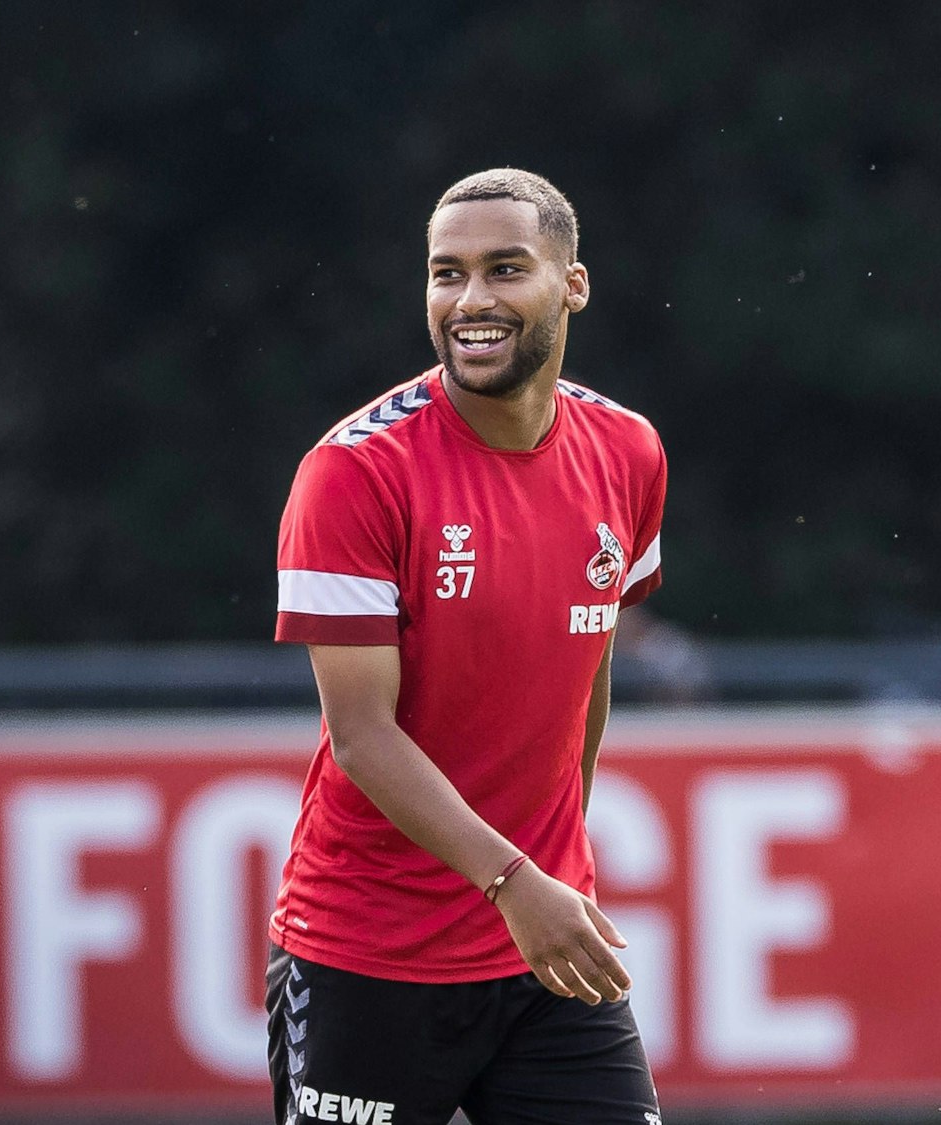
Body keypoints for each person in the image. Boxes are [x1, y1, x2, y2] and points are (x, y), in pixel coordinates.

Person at [267, 169, 667, 1125]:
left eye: (505, 269)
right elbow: (362, 736)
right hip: (368, 955)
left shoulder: (629, 451)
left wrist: (550, 865)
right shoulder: (353, 473)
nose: (471, 301)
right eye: (447, 274)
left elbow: (592, 661)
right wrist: (514, 877)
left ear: (572, 285)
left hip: (541, 951)